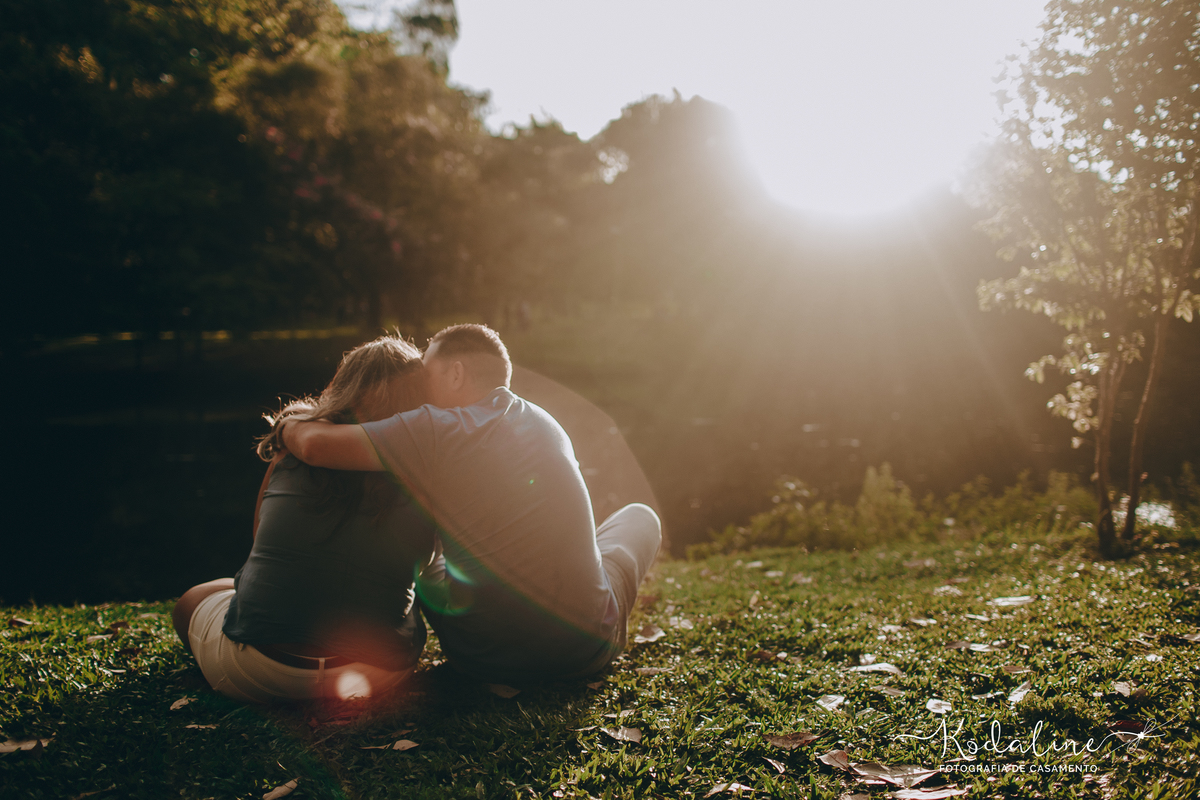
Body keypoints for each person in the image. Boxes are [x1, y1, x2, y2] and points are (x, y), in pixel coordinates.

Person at [283, 323, 661, 684]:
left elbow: (314, 447)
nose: (421, 391)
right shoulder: (546, 422)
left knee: (427, 560)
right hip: (586, 651)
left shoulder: (433, 427)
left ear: (456, 374)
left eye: (426, 376)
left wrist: (287, 421)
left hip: (483, 659)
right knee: (641, 517)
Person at [172, 334, 436, 703]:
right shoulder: (430, 469)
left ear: (343, 385)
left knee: (195, 598)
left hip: (258, 671)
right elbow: (425, 569)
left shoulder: (291, 448)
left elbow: (257, 543)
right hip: (372, 675)